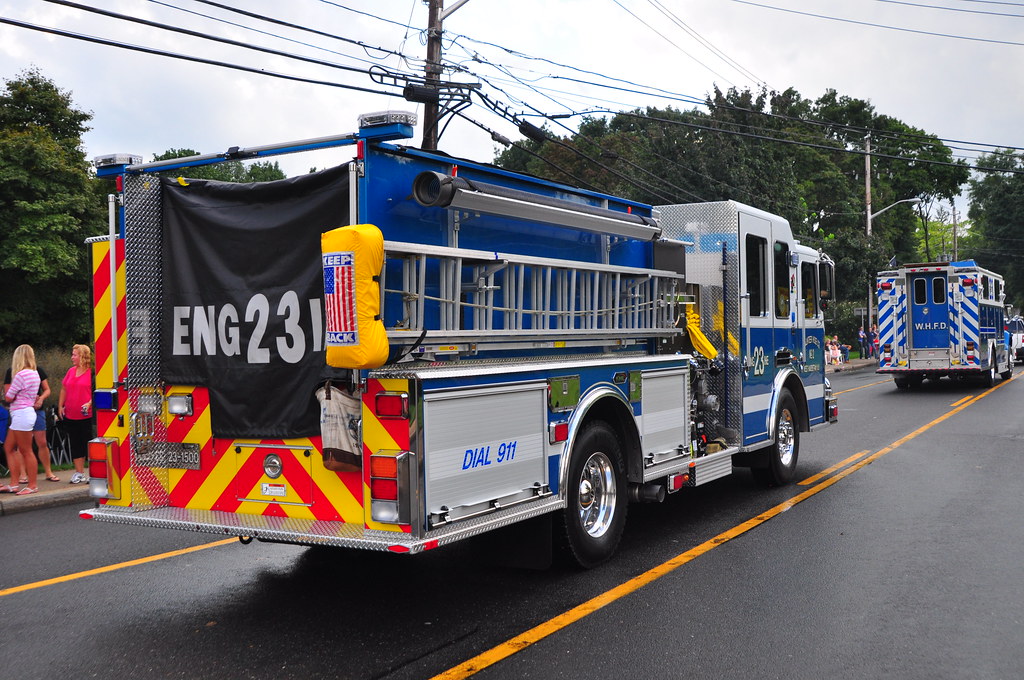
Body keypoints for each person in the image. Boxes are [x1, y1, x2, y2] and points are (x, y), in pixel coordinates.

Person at [3, 362, 58, 484]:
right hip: (22, 411)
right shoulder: (11, 371)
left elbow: (47, 389)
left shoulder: (37, 369)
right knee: (20, 446)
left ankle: (48, 472)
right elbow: (7, 394)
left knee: (41, 442)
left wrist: (41, 399)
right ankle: (23, 475)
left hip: (34, 410)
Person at [1, 345, 41, 495]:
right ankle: (14, 483)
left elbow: (8, 397)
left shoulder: (20, 375)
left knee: (26, 451)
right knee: (9, 447)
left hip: (21, 414)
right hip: (25, 413)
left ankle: (32, 485)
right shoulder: (35, 373)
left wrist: (9, 394)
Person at [58, 344, 94, 485]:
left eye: (74, 355)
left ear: (82, 356)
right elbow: (64, 389)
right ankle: (79, 473)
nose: (72, 357)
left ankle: (94, 473)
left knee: (89, 445)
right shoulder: (71, 371)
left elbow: (96, 391)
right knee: (75, 444)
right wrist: (61, 406)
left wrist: (90, 403)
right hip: (71, 414)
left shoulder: (91, 373)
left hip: (86, 415)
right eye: (72, 354)